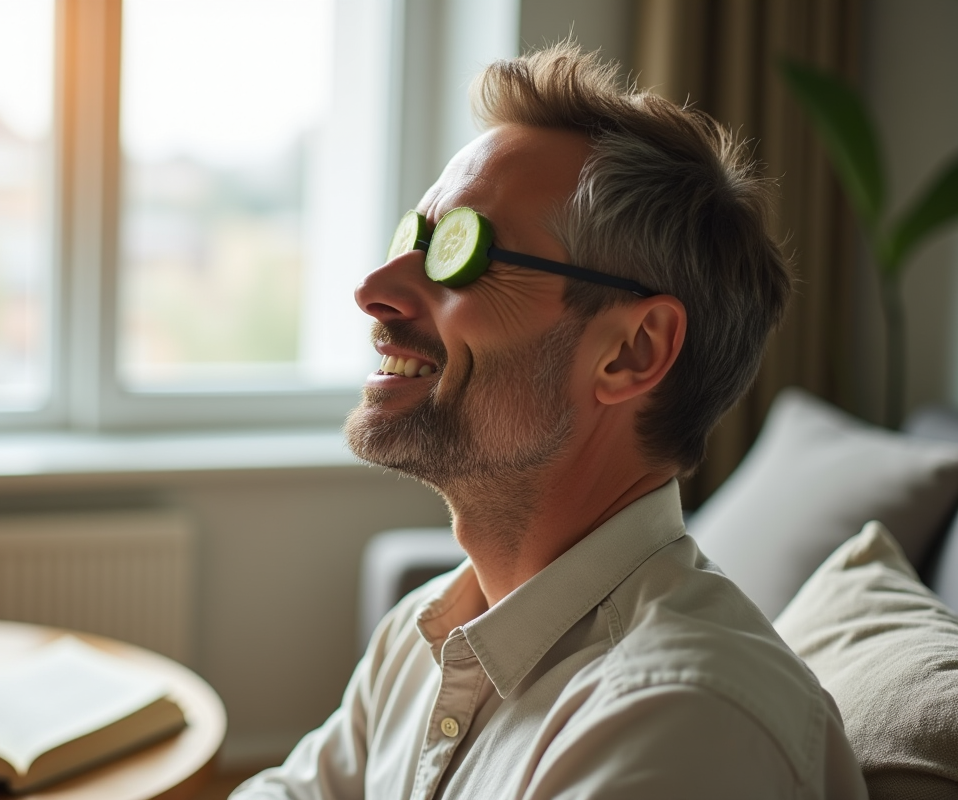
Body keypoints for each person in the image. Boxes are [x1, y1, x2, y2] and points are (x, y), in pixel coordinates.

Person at [232, 42, 866, 799]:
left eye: (465, 254)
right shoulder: (423, 632)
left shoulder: (681, 722)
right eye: (417, 238)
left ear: (632, 351)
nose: (374, 286)